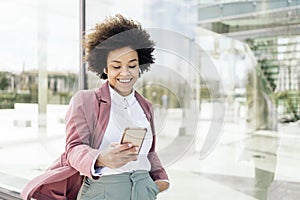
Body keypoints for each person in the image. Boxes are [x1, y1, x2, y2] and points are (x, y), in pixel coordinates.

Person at [21, 14, 169, 200]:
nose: (125, 73)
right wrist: (100, 158)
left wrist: (160, 180)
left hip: (143, 190)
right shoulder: (85, 101)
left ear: (140, 66)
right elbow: (73, 148)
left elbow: (150, 152)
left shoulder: (145, 106)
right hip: (103, 191)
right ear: (105, 68)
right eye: (116, 67)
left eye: (132, 65)